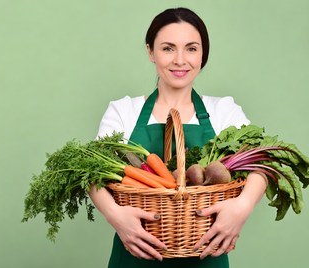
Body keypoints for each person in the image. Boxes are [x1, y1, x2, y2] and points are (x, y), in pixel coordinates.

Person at [89, 7, 267, 268]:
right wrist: (114, 215)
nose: (180, 60)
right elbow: (92, 173)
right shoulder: (124, 110)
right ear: (151, 52)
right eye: (168, 48)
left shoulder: (223, 110)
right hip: (135, 253)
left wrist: (243, 207)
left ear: (203, 53)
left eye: (191, 48)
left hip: (206, 255)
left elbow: (263, 166)